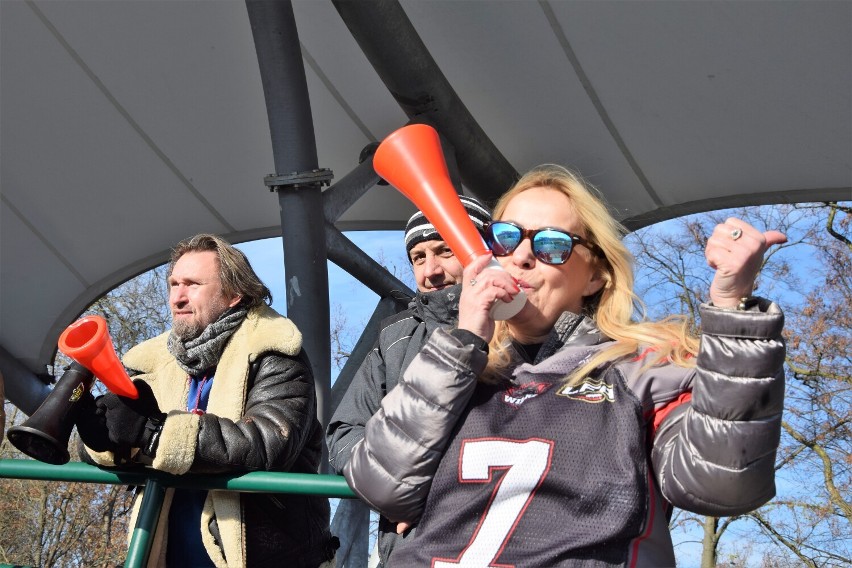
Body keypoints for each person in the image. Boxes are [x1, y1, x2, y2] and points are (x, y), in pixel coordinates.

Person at [342, 165, 787, 567]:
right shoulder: (456, 366)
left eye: (552, 244)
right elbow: (380, 486)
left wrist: (732, 312)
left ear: (596, 275)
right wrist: (462, 341)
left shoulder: (643, 369)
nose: (521, 257)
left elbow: (720, 484)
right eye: (506, 237)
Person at [77, 234, 336, 568]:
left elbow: (268, 443)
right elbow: (127, 432)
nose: (178, 297)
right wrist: (99, 437)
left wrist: (157, 433)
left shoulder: (276, 351)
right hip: (166, 556)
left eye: (192, 284)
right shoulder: (153, 360)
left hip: (267, 557)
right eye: (173, 284)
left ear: (233, 294)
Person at [327, 195, 492, 567]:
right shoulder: (394, 337)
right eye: (418, 257)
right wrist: (395, 491)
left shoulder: (521, 330)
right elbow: (343, 431)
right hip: (407, 549)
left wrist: (440, 492)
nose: (429, 271)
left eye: (444, 251)